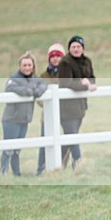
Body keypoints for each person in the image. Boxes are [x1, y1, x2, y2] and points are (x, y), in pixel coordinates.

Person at [0, 52, 48, 176]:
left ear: (33, 66)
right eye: (24, 65)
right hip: (11, 119)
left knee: (17, 149)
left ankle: (17, 174)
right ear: (20, 66)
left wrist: (37, 91)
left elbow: (44, 85)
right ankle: (3, 173)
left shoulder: (34, 78)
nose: (27, 68)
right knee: (8, 149)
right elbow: (10, 88)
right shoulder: (14, 78)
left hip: (25, 119)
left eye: (29, 65)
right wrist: (28, 91)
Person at [58, 35, 96, 169]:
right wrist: (83, 84)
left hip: (80, 107)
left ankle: (58, 164)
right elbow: (65, 83)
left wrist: (88, 83)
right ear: (69, 48)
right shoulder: (65, 62)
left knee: (70, 137)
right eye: (73, 47)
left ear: (83, 48)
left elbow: (92, 79)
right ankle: (78, 164)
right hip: (67, 108)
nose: (76, 49)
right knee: (72, 136)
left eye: (79, 47)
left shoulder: (87, 61)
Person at [36, 42, 64, 175]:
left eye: (58, 56)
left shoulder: (68, 73)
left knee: (69, 141)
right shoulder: (43, 76)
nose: (55, 58)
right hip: (47, 116)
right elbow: (40, 98)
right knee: (45, 143)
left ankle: (66, 167)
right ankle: (40, 169)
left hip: (65, 114)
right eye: (52, 56)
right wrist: (48, 102)